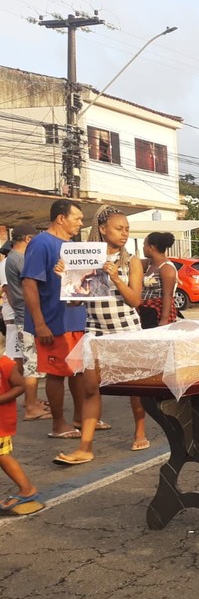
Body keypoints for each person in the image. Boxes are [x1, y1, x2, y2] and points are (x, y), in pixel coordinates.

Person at [54, 207, 146, 464]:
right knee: (91, 390)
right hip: (95, 331)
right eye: (119, 228)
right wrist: (66, 280)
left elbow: (135, 301)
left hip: (127, 331)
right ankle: (85, 447)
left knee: (135, 387)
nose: (124, 233)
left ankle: (140, 430)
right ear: (103, 229)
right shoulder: (85, 257)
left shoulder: (131, 261)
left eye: (127, 229)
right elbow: (75, 303)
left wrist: (116, 278)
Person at [22, 199, 87, 440]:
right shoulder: (41, 243)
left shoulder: (72, 246)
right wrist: (39, 323)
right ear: (61, 218)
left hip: (75, 320)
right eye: (77, 218)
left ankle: (80, 418)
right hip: (53, 322)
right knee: (57, 373)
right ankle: (59, 424)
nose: (80, 223)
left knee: (78, 372)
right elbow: (29, 283)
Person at [3, 225, 49, 420]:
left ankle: (32, 401)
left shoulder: (12, 258)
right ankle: (31, 406)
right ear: (29, 239)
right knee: (32, 362)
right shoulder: (20, 259)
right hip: (26, 316)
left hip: (23, 313)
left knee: (30, 360)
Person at [0, 356, 43, 515]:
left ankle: (27, 489)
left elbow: (20, 386)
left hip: (1, 422)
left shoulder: (4, 363)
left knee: (2, 455)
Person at [138, 232, 178, 329]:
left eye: (144, 244)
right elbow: (132, 262)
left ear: (151, 247)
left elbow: (167, 295)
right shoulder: (150, 264)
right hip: (146, 310)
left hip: (158, 312)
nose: (143, 248)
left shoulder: (166, 268)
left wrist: (164, 319)